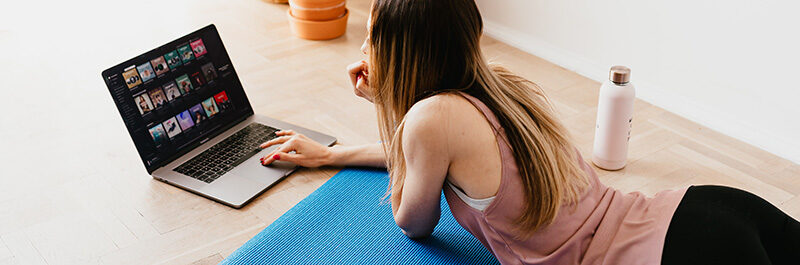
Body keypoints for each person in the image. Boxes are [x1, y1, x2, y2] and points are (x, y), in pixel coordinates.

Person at [258, 0, 800, 264]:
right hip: (703, 212)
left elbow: (413, 222)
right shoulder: (497, 87)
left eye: (370, 39)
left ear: (402, 57)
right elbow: (430, 159)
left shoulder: (426, 120)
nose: (361, 51)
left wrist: (390, 111)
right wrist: (330, 154)